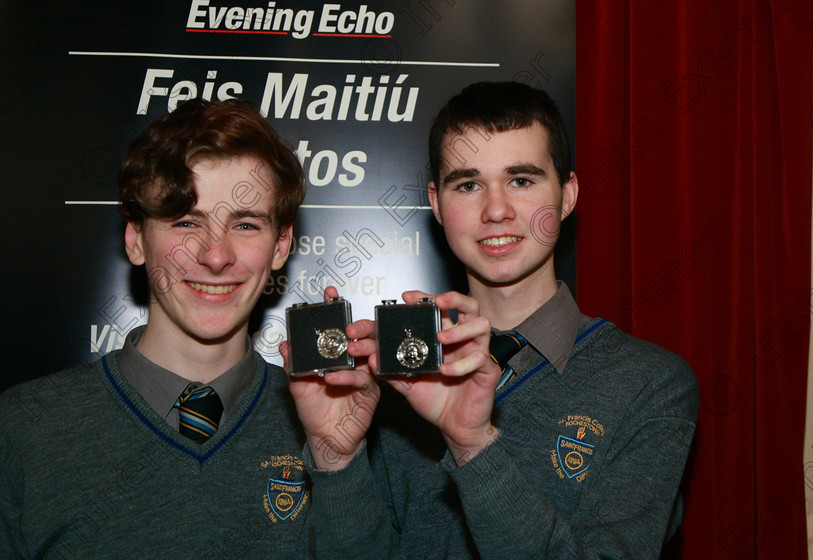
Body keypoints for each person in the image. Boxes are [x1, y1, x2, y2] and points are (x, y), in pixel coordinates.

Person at [0, 99, 388, 559]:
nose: (215, 255)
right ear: (136, 239)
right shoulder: (25, 428)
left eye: (244, 224)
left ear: (281, 245)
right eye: (186, 221)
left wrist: (335, 463)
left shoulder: (351, 427)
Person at [365, 82, 699, 558]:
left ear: (567, 195)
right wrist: (334, 458)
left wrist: (474, 445)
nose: (496, 210)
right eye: (468, 184)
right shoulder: (402, 380)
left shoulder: (649, 384)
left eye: (521, 180)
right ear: (437, 204)